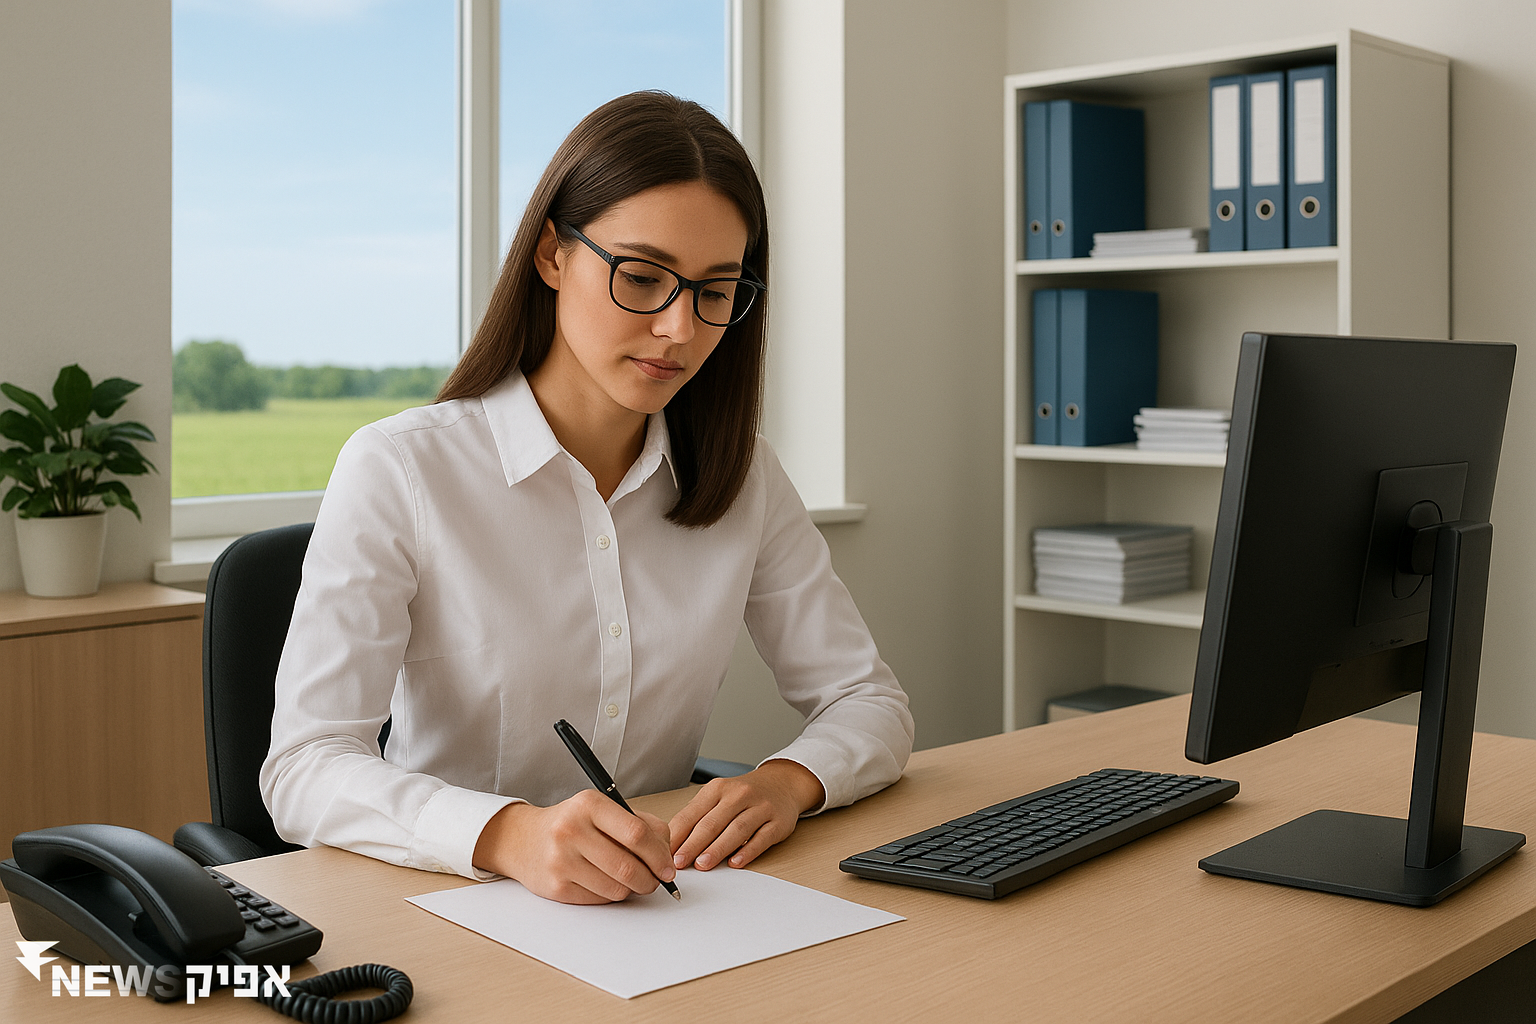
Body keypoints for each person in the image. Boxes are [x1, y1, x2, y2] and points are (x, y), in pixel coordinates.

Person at [260, 91, 913, 906]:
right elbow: (304, 769)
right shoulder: (400, 469)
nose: (680, 328)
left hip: (660, 908)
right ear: (552, 257)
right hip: (446, 904)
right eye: (642, 277)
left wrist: (788, 781)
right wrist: (507, 834)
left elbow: (868, 701)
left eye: (717, 291)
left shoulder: (742, 477)